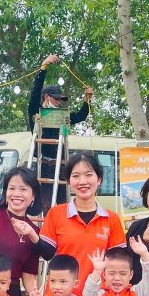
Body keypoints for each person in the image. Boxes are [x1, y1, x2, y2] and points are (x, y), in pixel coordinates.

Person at [19, 153, 127, 296]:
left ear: (99, 179)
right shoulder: (56, 213)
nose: (82, 181)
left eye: (88, 175)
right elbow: (47, 253)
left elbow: (118, 262)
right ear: (69, 182)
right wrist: (32, 234)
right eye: (76, 176)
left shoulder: (111, 219)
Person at [28, 54, 94, 210]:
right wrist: (43, 68)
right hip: (43, 167)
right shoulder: (36, 113)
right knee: (45, 206)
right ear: (47, 97)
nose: (59, 102)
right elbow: (35, 94)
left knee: (63, 206)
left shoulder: (63, 116)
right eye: (56, 99)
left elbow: (80, 116)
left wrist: (87, 100)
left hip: (61, 166)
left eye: (60, 99)